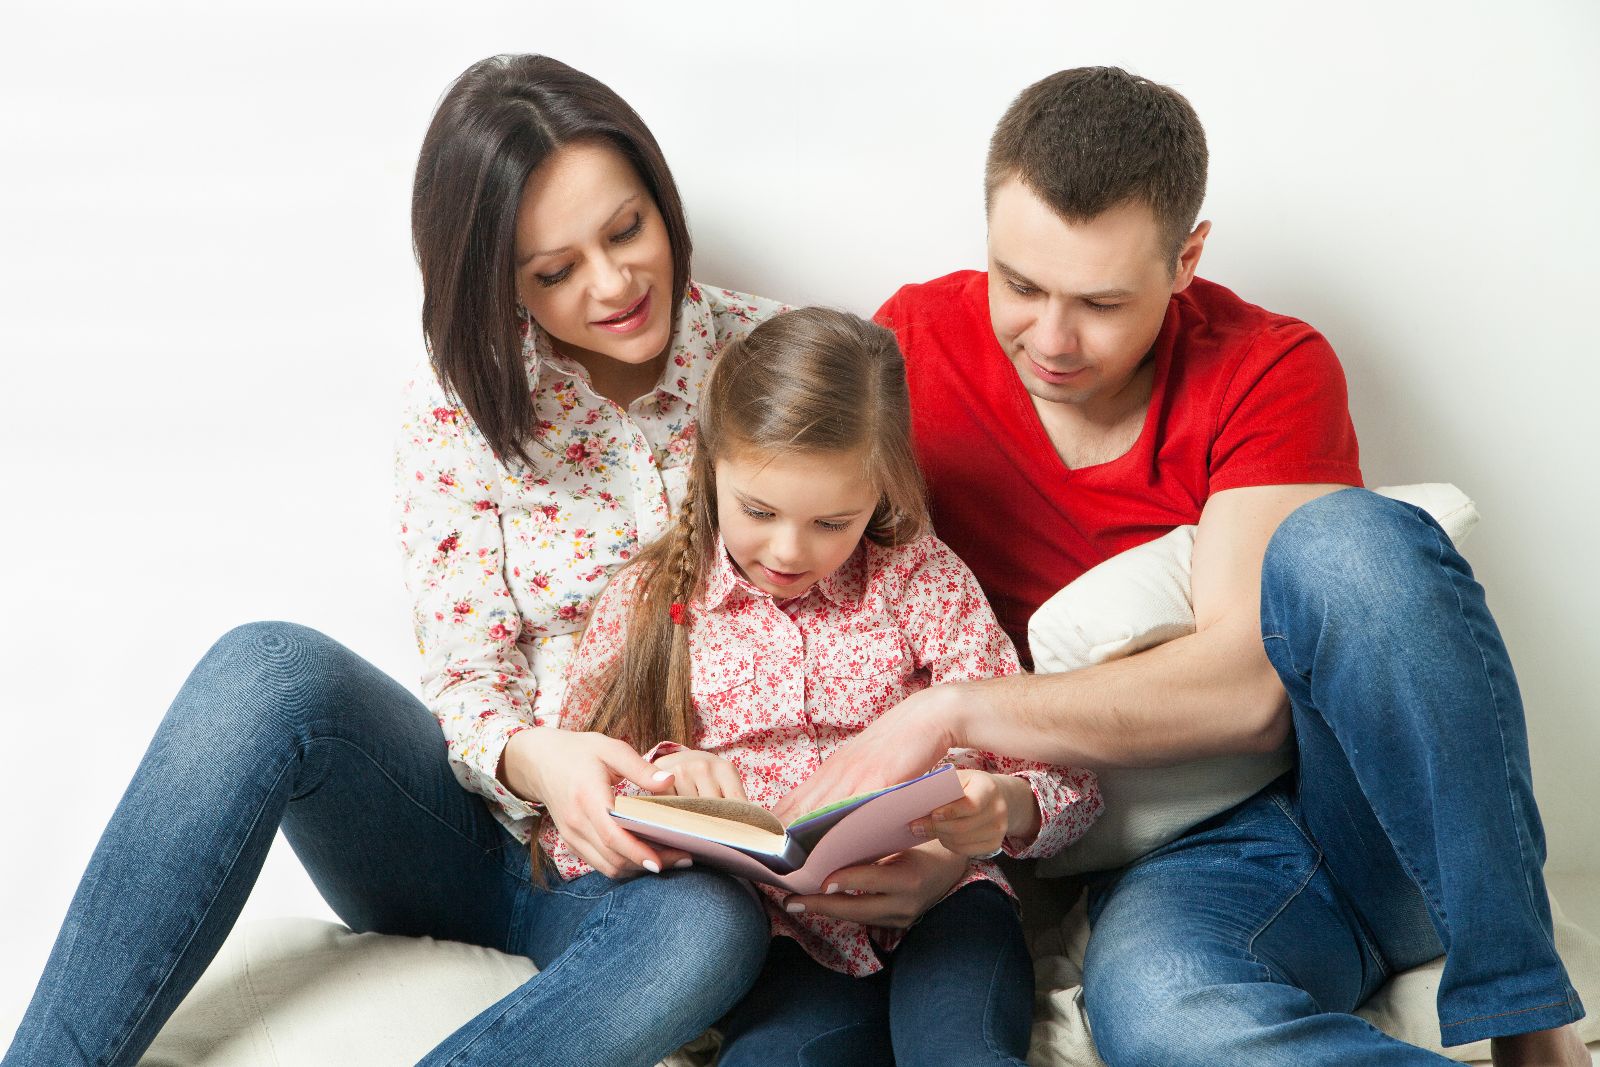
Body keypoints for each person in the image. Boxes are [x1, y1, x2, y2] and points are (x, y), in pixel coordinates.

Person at [776, 67, 1588, 1065]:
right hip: (1186, 864)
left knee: (1345, 539)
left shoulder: (1269, 365)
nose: (1051, 338)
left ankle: (1529, 1024)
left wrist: (954, 710)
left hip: (1372, 816)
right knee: (1164, 1011)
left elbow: (1246, 690)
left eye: (1102, 301)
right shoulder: (909, 350)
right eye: (1019, 283)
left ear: (1186, 259)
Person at [6, 54, 785, 1067]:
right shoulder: (457, 412)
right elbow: (466, 685)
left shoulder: (781, 360)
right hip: (472, 842)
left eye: (626, 229)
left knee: (711, 927)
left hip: (659, 876)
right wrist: (541, 759)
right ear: (498, 280)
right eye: (553, 270)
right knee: (269, 667)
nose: (613, 283)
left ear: (660, 199)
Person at [553, 307, 1101, 1066]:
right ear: (711, 464)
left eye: (831, 521)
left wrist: (1003, 807)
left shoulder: (921, 580)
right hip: (788, 943)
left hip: (950, 909)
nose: (787, 548)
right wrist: (666, 784)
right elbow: (574, 817)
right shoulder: (651, 602)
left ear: (881, 491)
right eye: (759, 511)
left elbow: (1070, 779)